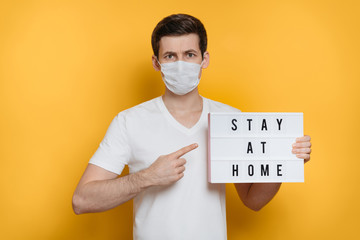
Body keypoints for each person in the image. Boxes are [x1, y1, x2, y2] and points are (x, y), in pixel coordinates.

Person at [72, 14, 312, 239]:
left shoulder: (231, 119)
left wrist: (282, 162)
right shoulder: (129, 121)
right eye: (170, 56)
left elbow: (253, 201)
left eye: (189, 54)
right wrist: (146, 177)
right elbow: (82, 200)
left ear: (203, 59)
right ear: (156, 63)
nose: (180, 64)